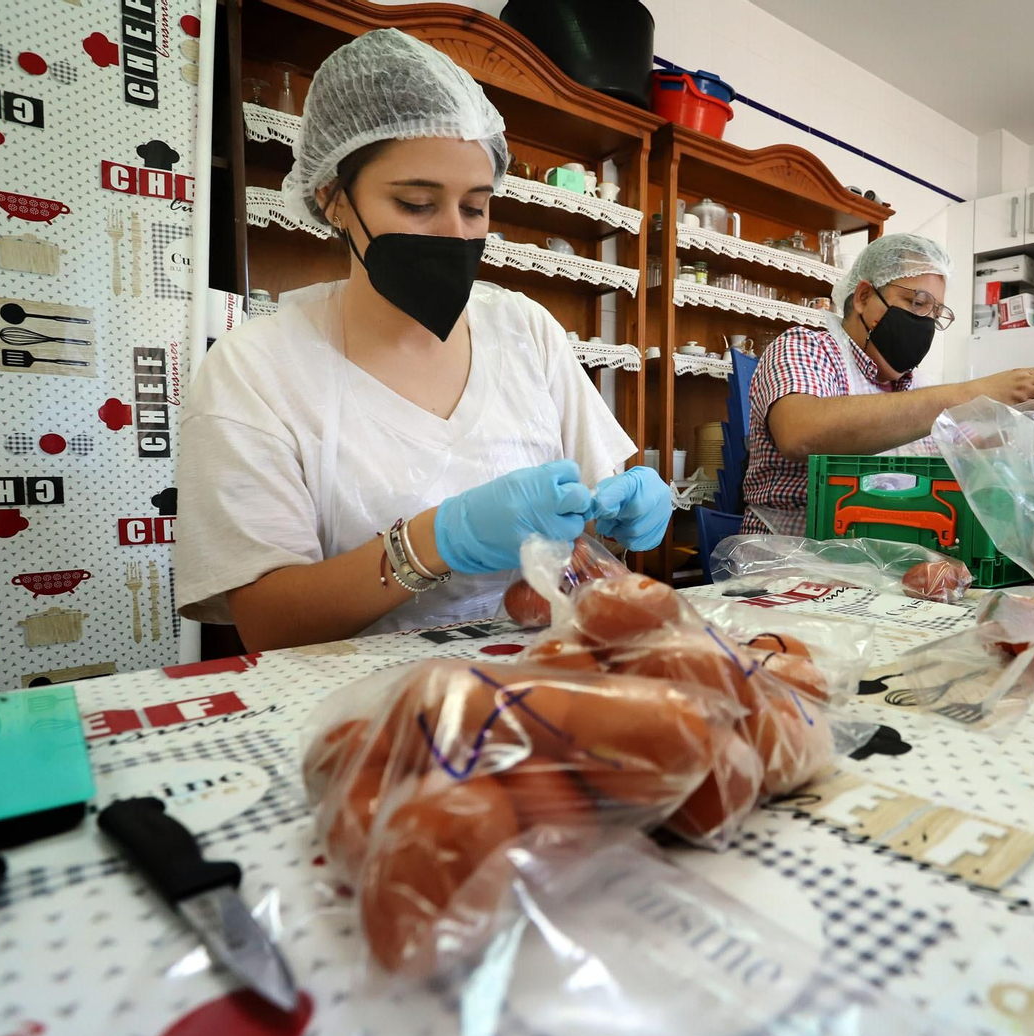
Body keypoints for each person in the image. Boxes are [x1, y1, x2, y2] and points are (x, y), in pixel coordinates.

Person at [175, 29, 670, 651]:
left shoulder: (524, 330)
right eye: (415, 203)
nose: (452, 234)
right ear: (331, 197)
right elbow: (270, 623)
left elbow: (596, 518)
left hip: (545, 675)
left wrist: (622, 514)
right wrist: (434, 540)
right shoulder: (257, 370)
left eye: (475, 207)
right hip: (365, 706)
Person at [741, 233, 1034, 535]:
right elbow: (801, 432)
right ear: (863, 298)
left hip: (878, 559)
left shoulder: (917, 384)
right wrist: (972, 391)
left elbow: (969, 448)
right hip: (787, 559)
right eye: (918, 303)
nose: (925, 322)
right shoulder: (805, 348)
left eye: (936, 313)